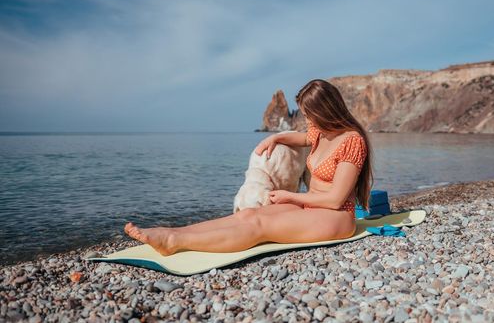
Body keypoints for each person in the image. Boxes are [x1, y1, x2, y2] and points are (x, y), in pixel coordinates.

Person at [124, 79, 373, 255]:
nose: (306, 120)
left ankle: (173, 241)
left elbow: (334, 199)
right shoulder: (320, 132)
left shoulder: (352, 141)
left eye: (309, 115)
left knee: (259, 227)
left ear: (325, 111)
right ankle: (173, 231)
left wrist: (289, 196)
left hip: (335, 217)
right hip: (309, 206)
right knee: (247, 215)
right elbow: (303, 138)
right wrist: (275, 137)